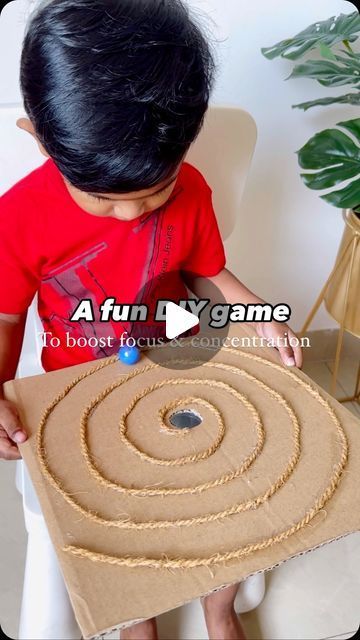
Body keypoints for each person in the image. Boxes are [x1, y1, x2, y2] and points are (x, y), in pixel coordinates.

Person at [0, 1, 303, 639]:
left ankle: (219, 609)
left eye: (153, 193)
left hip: (175, 360)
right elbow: (5, 318)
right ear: (38, 136)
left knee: (232, 483)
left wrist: (264, 317)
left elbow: (213, 273)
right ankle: (141, 621)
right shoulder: (19, 217)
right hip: (78, 387)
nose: (133, 215)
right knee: (122, 512)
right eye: (106, 200)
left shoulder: (191, 188)